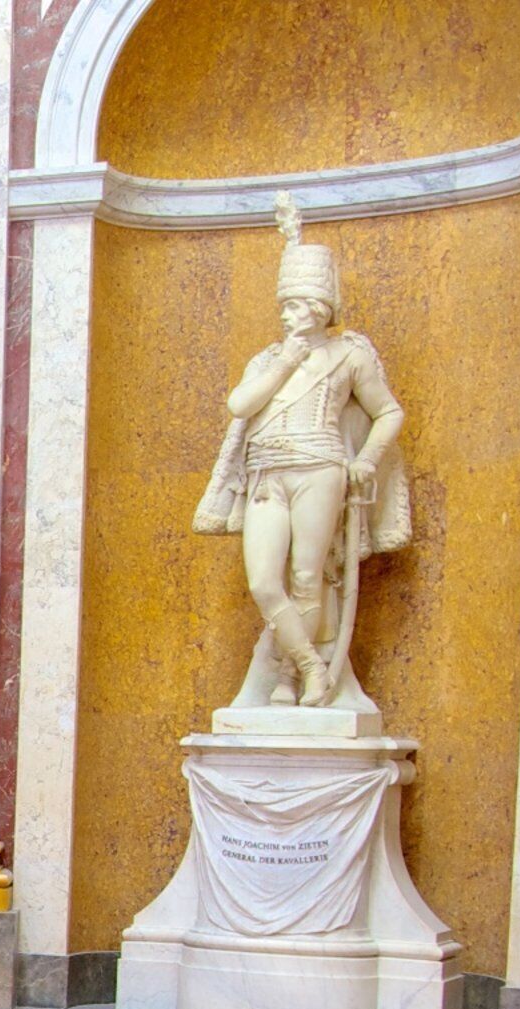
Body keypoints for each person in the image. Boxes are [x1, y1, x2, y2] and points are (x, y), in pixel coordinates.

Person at [195, 198, 407, 710]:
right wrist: (286, 362)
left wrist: (367, 460)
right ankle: (313, 664)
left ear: (318, 307)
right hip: (267, 474)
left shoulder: (349, 355)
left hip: (321, 468)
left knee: (308, 577)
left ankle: (290, 678)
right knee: (265, 581)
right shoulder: (270, 358)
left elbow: (389, 412)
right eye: (284, 306)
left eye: (294, 305)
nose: (285, 314)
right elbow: (239, 405)